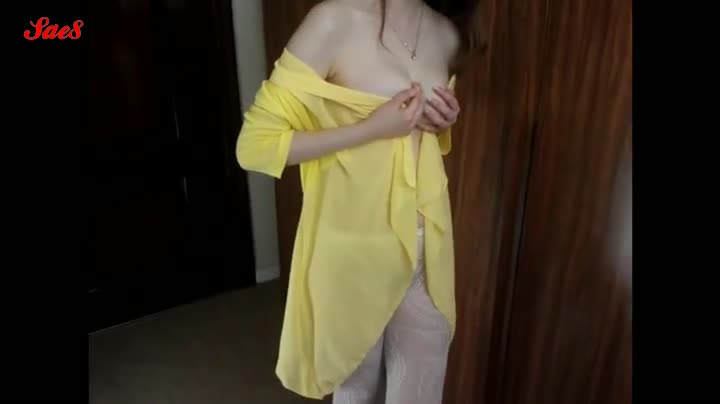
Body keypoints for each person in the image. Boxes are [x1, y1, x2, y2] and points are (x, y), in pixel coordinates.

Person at [236, 0, 483, 402]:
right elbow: (254, 146)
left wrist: (442, 124)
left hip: (426, 249)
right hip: (353, 250)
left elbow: (413, 143)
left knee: (421, 392)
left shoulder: (445, 33)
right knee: (356, 390)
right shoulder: (334, 20)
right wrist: (370, 128)